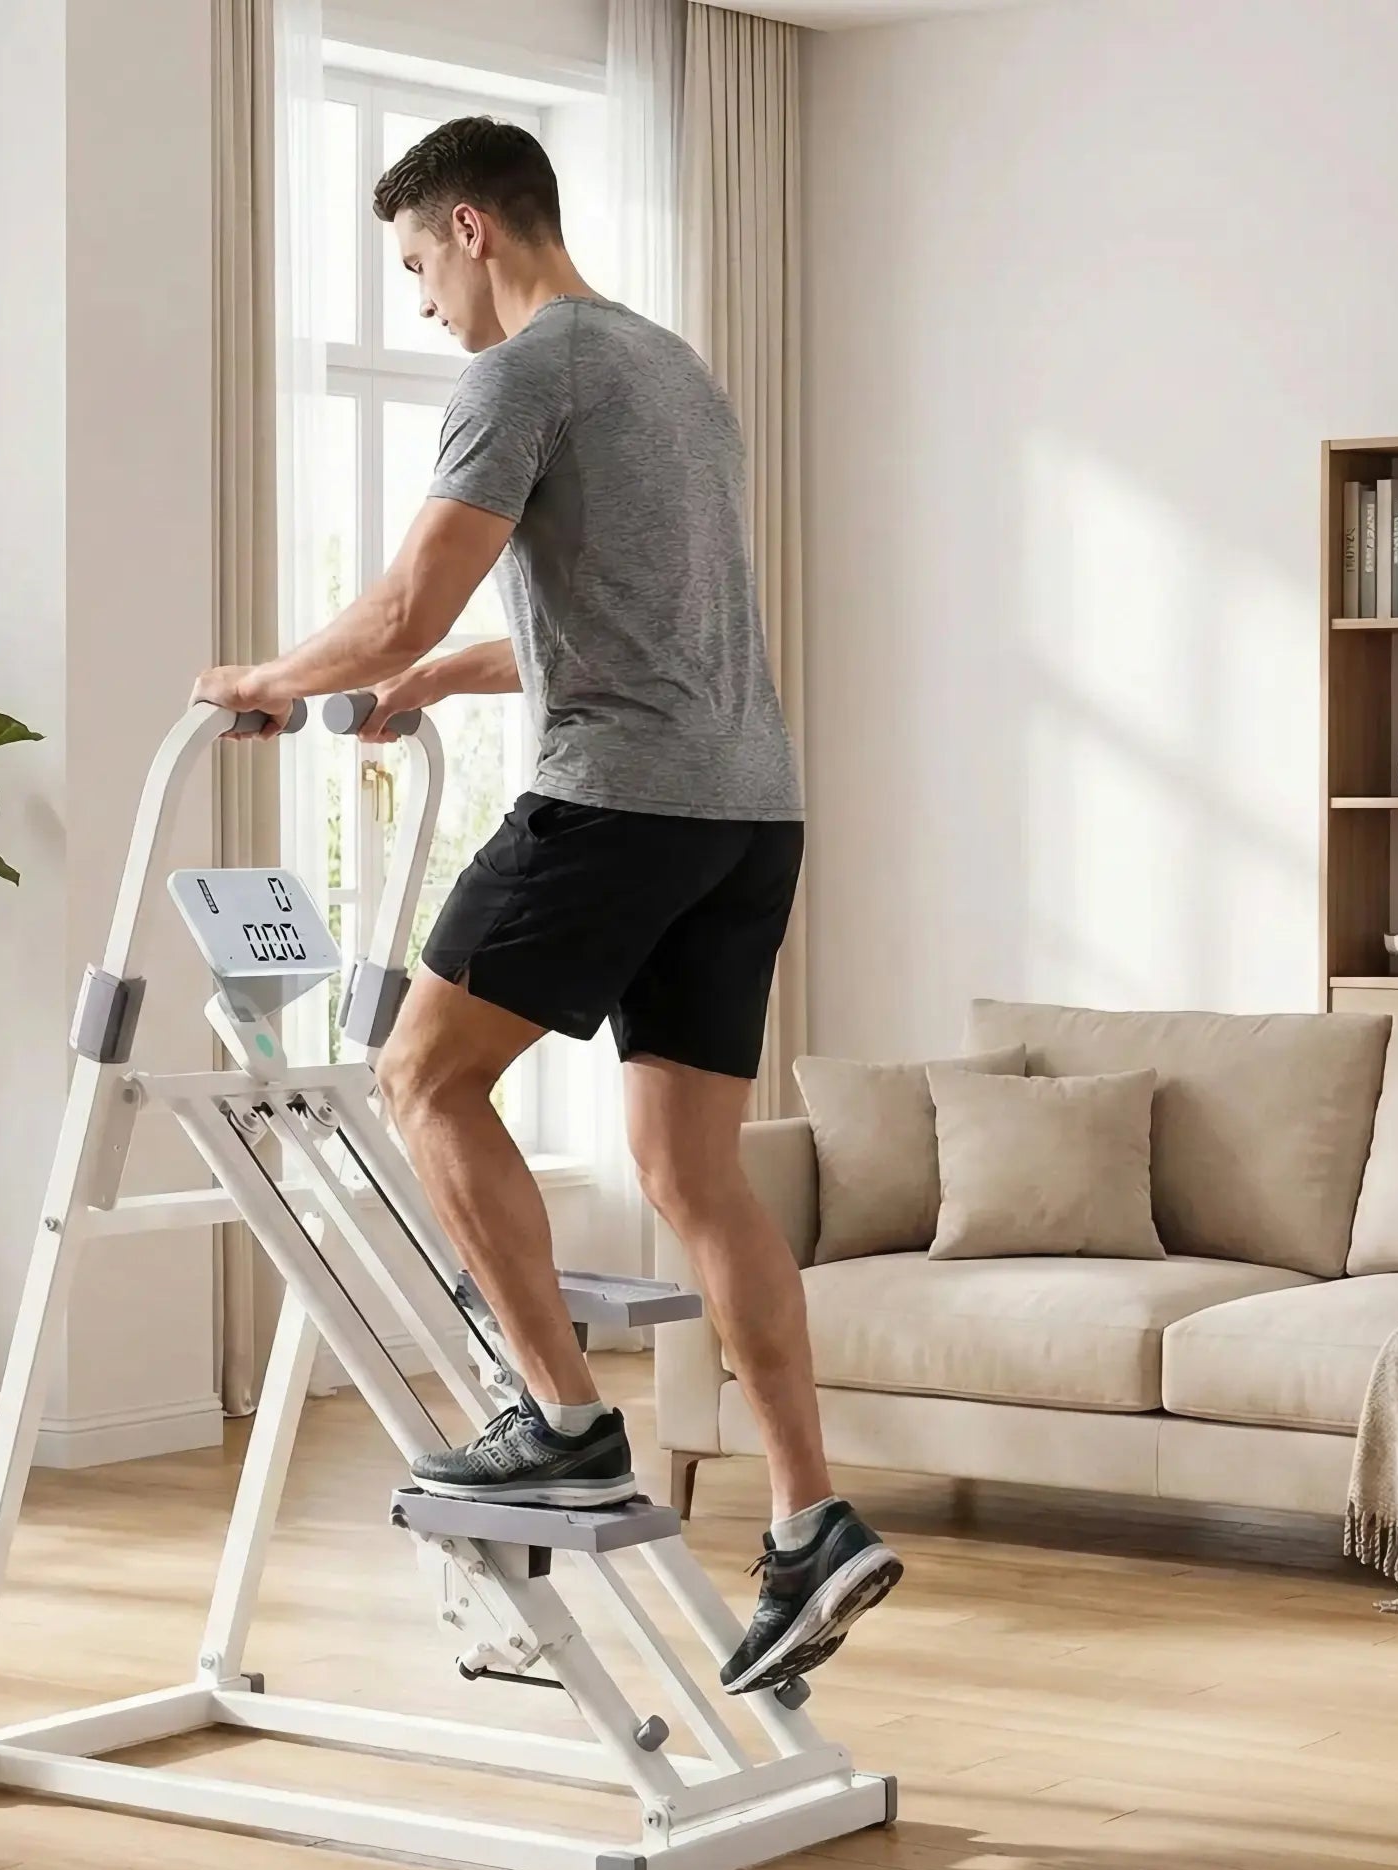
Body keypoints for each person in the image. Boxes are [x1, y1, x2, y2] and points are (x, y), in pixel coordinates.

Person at [193, 116, 900, 1692]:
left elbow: (394, 606)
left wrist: (258, 679)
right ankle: (810, 1519)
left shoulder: (519, 375)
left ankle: (566, 1424)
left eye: (415, 269)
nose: (421, 307)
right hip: (748, 813)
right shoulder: (674, 369)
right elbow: (624, 624)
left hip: (618, 805)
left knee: (418, 1074)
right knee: (688, 1171)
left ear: (469, 226)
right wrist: (440, 675)